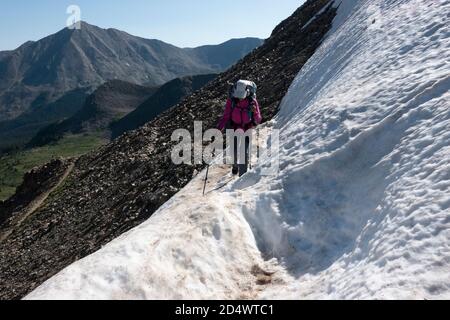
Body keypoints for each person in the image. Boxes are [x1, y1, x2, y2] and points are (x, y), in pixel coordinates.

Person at [218, 80, 262, 177]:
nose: (239, 98)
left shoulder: (252, 102)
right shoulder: (232, 101)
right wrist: (218, 129)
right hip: (234, 127)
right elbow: (226, 116)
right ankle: (235, 165)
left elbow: (258, 118)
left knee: (243, 154)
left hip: (247, 129)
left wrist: (254, 114)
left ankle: (242, 178)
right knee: (233, 151)